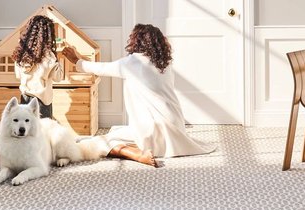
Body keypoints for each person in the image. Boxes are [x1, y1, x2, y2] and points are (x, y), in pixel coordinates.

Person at [63, 24, 215, 166]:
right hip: (176, 126)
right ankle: (141, 149)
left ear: (136, 42)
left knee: (102, 142)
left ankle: (137, 155)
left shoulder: (133, 62)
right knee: (116, 132)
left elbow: (102, 68)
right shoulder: (166, 64)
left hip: (152, 130)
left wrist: (76, 60)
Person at [12, 15, 63, 119]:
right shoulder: (49, 57)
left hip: (25, 98)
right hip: (42, 101)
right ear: (48, 35)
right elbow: (58, 78)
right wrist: (58, 60)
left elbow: (18, 76)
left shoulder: (21, 54)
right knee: (43, 129)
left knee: (28, 127)